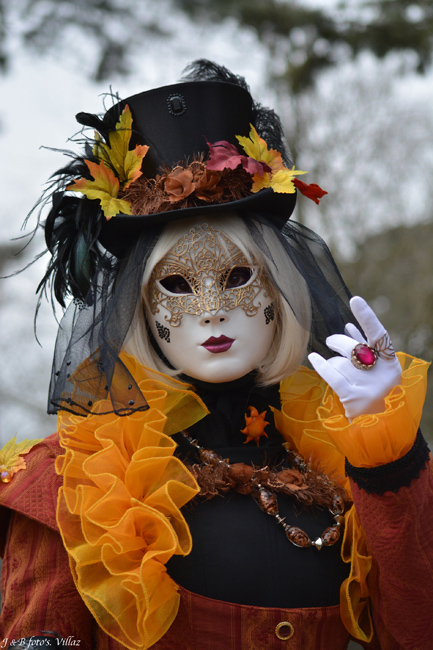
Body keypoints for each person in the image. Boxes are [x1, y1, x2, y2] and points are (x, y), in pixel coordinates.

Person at [0, 60, 431, 650]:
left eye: (236, 278)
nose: (210, 311)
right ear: (141, 310)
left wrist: (389, 456)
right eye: (176, 284)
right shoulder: (75, 485)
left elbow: (417, 628)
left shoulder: (339, 463)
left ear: (278, 292)